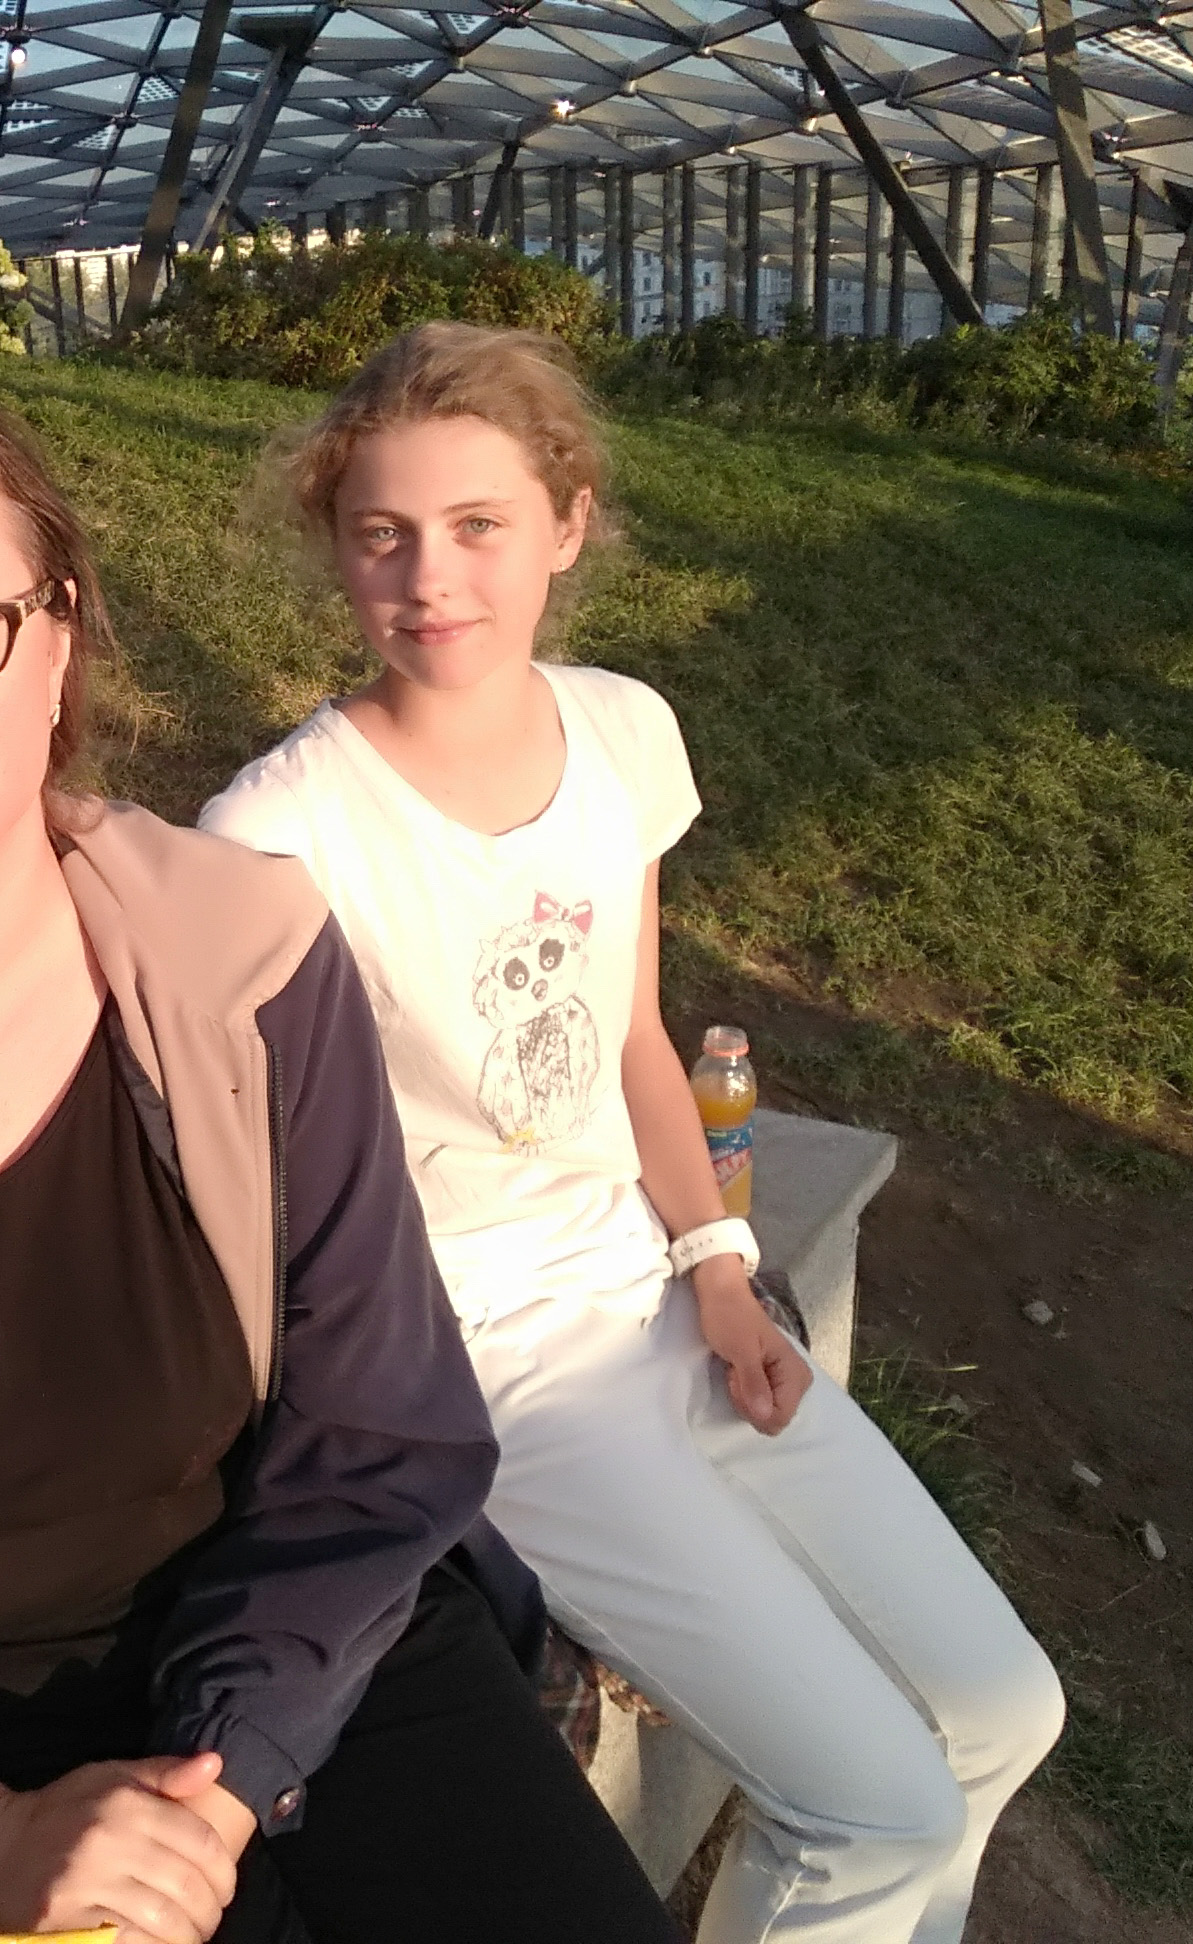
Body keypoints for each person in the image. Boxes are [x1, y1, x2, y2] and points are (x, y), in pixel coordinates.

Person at [0, 368, 677, 1944]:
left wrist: (216, 1786)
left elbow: (377, 1427)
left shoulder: (245, 951)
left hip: (307, 1652)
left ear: (58, 641)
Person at [199, 321, 1066, 1944]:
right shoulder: (278, 832)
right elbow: (232, 1177)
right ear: (336, 546)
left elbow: (630, 1039)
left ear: (567, 524)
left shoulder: (620, 732)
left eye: (478, 525)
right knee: (872, 1802)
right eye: (383, 533)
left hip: (662, 1297)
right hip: (491, 1371)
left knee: (1003, 1710)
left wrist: (720, 1270)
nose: (430, 576)